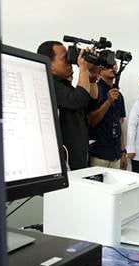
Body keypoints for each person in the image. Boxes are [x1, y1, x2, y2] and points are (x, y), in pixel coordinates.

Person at [37, 41, 98, 170]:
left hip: (79, 154)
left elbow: (91, 103)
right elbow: (78, 100)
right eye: (64, 58)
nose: (70, 61)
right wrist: (83, 69)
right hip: (65, 161)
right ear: (49, 64)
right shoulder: (47, 84)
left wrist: (91, 77)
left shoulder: (64, 85)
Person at [88, 64, 127, 169]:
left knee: (118, 186)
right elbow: (91, 121)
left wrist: (123, 152)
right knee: (96, 185)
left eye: (114, 64)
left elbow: (119, 124)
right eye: (107, 65)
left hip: (116, 154)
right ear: (99, 70)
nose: (112, 67)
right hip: (99, 154)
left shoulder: (119, 95)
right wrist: (108, 101)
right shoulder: (95, 89)